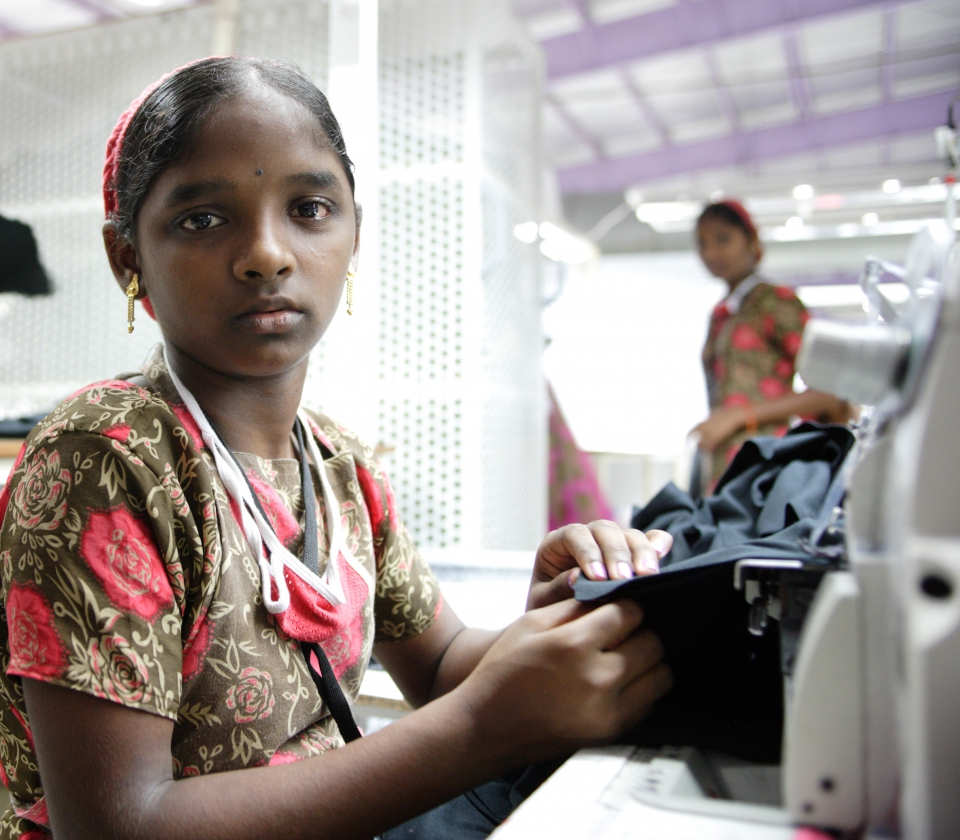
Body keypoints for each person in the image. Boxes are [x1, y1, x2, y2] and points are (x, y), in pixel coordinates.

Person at [0, 57, 675, 840]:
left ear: (354, 236)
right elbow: (117, 824)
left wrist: (552, 623)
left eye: (310, 208)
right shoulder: (104, 461)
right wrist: (479, 729)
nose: (267, 253)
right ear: (129, 259)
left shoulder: (340, 465)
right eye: (203, 219)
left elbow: (444, 663)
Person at [691, 199, 851, 492]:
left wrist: (739, 415)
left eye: (722, 239)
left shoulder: (775, 302)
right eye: (702, 244)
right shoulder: (722, 314)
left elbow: (832, 391)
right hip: (723, 469)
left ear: (751, 241)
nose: (710, 252)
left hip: (764, 466)